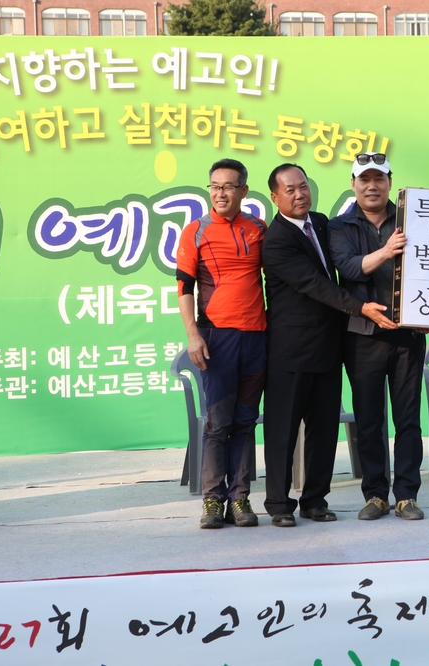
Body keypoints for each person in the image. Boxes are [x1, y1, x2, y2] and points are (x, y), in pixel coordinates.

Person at [262, 163, 397, 527]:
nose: (299, 194)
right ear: (275, 197)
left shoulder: (322, 223)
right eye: (290, 190)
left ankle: (314, 500)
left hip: (329, 346)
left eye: (303, 186)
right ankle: (278, 503)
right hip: (291, 350)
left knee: (324, 429)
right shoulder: (276, 240)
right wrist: (361, 308)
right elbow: (315, 285)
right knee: (283, 430)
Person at [329, 153, 429, 521]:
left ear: (390, 183)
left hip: (408, 335)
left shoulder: (413, 221)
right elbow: (349, 268)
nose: (372, 186)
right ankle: (375, 495)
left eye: (379, 179)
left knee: (408, 419)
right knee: (369, 420)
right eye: (364, 180)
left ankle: (407, 495)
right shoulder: (339, 226)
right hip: (362, 337)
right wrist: (387, 251)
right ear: (353, 184)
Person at [177, 158, 267, 529]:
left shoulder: (258, 228)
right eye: (215, 186)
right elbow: (184, 288)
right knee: (217, 424)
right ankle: (212, 500)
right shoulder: (196, 231)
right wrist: (193, 335)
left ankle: (240, 499)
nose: (221, 193)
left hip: (257, 338)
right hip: (216, 338)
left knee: (245, 422)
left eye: (229, 186)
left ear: (243, 190)